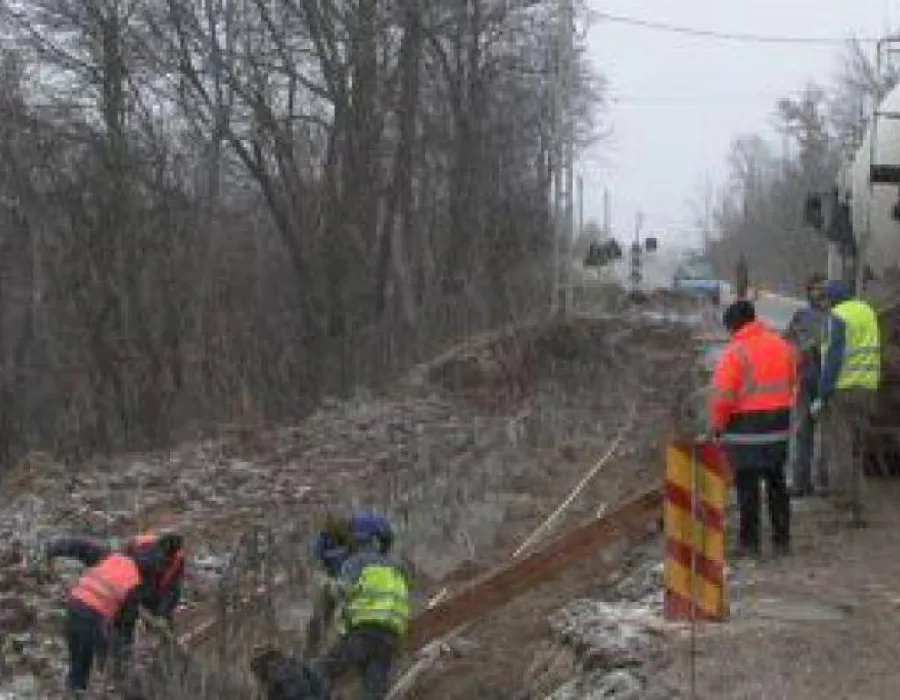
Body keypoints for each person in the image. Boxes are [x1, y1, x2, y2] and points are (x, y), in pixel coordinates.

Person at [709, 300, 798, 558]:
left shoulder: (735, 353)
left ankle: (750, 543)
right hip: (778, 425)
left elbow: (723, 397)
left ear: (732, 325)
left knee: (747, 486)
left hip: (745, 429)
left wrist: (717, 425)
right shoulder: (782, 345)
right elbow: (793, 381)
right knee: (776, 482)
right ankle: (782, 540)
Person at [321, 511, 410, 700]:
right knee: (374, 688)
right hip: (390, 638)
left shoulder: (356, 563)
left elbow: (342, 590)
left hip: (362, 633)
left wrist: (329, 586)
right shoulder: (398, 568)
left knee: (323, 670)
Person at [815, 279, 881, 527]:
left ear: (832, 299)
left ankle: (844, 509)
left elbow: (834, 355)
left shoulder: (838, 316)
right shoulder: (867, 311)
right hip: (868, 388)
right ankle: (860, 510)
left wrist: (822, 392)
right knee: (857, 452)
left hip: (843, 391)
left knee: (840, 450)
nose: (824, 303)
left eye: (825, 298)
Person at [63, 549, 161, 695]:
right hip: (93, 613)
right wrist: (124, 647)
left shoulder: (115, 558)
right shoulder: (135, 581)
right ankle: (110, 686)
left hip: (74, 602)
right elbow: (125, 622)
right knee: (98, 658)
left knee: (77, 658)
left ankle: (73, 689)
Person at [47, 529, 186, 623]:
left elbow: (172, 590)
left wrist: (163, 614)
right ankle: (56, 544)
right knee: (95, 550)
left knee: (129, 618)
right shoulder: (140, 545)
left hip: (148, 588)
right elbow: (96, 550)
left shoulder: (176, 563)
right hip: (124, 574)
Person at [783, 273, 828, 497]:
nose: (819, 293)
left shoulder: (836, 316)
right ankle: (801, 482)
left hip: (828, 382)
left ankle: (824, 483)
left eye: (823, 288)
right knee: (802, 432)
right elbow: (786, 343)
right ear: (808, 292)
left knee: (827, 435)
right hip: (805, 381)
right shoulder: (801, 316)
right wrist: (799, 350)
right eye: (815, 288)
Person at [304, 515, 353, 656]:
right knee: (319, 615)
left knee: (347, 617)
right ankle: (311, 650)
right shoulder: (323, 540)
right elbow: (317, 564)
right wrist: (325, 581)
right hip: (330, 579)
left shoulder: (351, 540)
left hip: (347, 582)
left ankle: (345, 648)